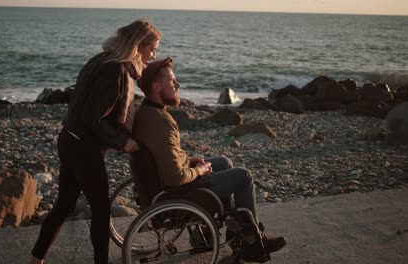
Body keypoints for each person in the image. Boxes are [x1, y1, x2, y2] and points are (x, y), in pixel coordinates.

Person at [29, 19, 161, 264]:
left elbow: (82, 104)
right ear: (138, 45)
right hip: (83, 148)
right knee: (101, 211)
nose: (153, 55)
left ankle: (36, 259)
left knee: (64, 205)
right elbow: (94, 117)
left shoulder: (101, 60)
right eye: (152, 49)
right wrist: (123, 141)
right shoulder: (116, 70)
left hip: (69, 139)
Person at [132, 57, 286, 261]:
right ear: (156, 85)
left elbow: (164, 155)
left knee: (223, 162)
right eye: (172, 81)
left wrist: (189, 160)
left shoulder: (145, 112)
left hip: (161, 188)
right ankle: (251, 242)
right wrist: (199, 171)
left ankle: (234, 232)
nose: (178, 85)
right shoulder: (161, 123)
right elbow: (175, 178)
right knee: (243, 177)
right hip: (179, 195)